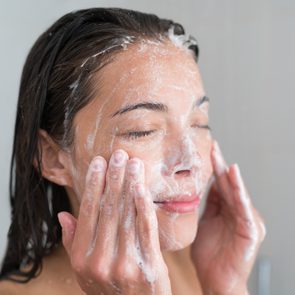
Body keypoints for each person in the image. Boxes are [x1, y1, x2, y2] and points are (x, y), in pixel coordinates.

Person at [0, 7, 266, 295]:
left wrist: (227, 287)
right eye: (143, 130)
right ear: (52, 158)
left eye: (199, 123)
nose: (192, 161)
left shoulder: (194, 266)